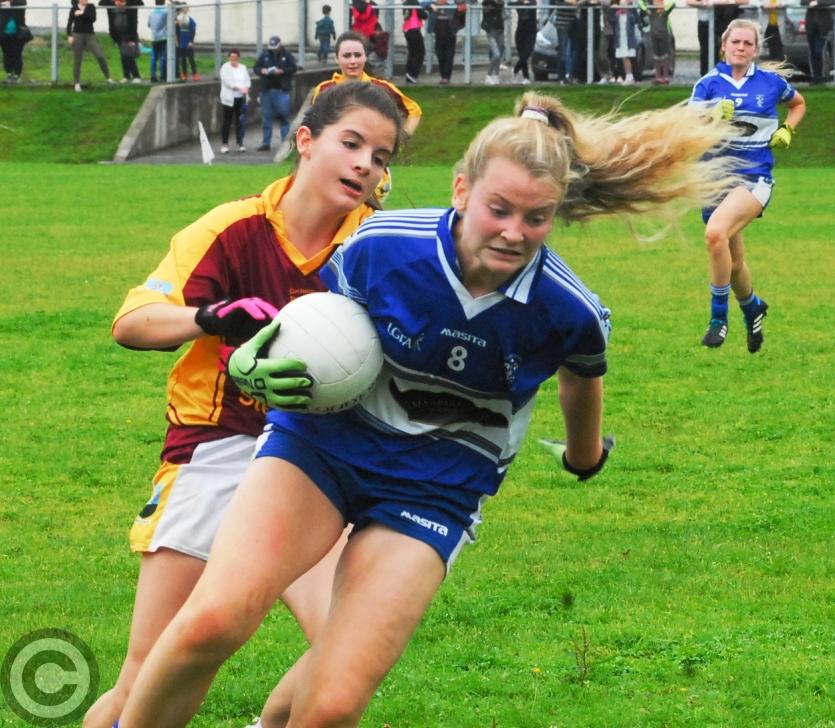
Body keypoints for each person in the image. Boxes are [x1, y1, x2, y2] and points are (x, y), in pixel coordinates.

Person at [118, 90, 740, 728]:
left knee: (330, 706)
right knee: (212, 623)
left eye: (536, 218)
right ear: (462, 190)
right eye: (499, 209)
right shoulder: (383, 244)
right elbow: (318, 327)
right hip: (322, 446)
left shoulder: (569, 309)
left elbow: (580, 380)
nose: (512, 233)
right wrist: (254, 362)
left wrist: (585, 454)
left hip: (436, 485)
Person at [81, 81, 403, 728]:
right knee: (151, 671)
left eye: (381, 154)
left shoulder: (379, 248)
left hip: (312, 457)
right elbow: (131, 322)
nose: (366, 163)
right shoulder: (232, 229)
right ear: (304, 141)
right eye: (351, 143)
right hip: (214, 445)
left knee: (343, 645)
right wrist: (210, 317)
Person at [690, 18, 806, 352]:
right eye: (735, 42)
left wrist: (786, 129)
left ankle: (718, 319)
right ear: (724, 45)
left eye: (748, 44)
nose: (741, 48)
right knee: (733, 260)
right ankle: (752, 306)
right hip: (716, 179)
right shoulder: (707, 86)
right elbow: (686, 128)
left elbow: (798, 103)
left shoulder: (770, 83)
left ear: (756, 49)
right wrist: (710, 116)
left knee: (715, 234)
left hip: (754, 178)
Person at [275, 30, 421, 206]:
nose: (353, 61)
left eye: (357, 55)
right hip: (334, 170)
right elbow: (316, 127)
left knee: (365, 218)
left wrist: (400, 139)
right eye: (347, 56)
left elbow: (414, 111)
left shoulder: (381, 88)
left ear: (365, 57)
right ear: (337, 59)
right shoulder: (324, 90)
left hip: (371, 172)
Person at [253, 35, 296, 152]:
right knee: (266, 118)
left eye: (275, 47)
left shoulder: (287, 55)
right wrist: (262, 70)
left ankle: (285, 144)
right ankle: (266, 143)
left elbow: (293, 68)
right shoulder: (265, 54)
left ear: (280, 44)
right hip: (266, 91)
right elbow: (256, 67)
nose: (273, 49)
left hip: (281, 91)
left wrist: (282, 71)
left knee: (284, 118)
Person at [67, 0, 115, 92]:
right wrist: (69, 35)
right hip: (77, 35)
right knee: (77, 59)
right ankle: (76, 83)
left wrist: (81, 13)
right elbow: (69, 23)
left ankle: (108, 78)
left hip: (90, 35)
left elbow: (92, 18)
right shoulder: (74, 8)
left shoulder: (91, 7)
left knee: (100, 56)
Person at [101, 0, 143, 83]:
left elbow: (140, 3)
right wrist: (114, 3)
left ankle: (136, 76)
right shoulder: (112, 2)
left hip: (129, 33)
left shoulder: (131, 2)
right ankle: (126, 76)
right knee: (123, 55)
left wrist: (125, 3)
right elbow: (101, 3)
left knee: (128, 54)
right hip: (117, 34)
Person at [219, 48, 250, 153]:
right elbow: (227, 82)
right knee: (227, 121)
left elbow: (247, 81)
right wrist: (239, 87)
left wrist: (246, 88)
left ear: (238, 58)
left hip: (241, 98)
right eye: (231, 57)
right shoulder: (225, 67)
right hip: (229, 99)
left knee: (240, 121)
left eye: (235, 57)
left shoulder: (243, 68)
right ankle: (224, 144)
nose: (233, 59)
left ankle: (240, 143)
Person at [430, 0, 465, 84]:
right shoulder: (434, 7)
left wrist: (456, 28)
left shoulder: (451, 8)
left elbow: (461, 19)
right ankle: (443, 76)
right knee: (440, 56)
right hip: (439, 36)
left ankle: (446, 77)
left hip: (450, 35)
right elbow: (423, 5)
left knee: (449, 56)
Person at [640, 0, 675, 84]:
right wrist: (646, 8)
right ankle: (658, 76)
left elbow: (673, 4)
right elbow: (640, 3)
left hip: (663, 35)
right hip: (654, 35)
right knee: (656, 57)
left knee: (664, 56)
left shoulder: (664, 12)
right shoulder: (651, 12)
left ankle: (665, 76)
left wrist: (663, 7)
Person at [801, 0, 835, 84]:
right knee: (812, 52)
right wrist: (810, 3)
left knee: (819, 51)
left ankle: (821, 76)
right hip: (811, 25)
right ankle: (815, 77)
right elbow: (803, 2)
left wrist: (817, 3)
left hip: (823, 26)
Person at [613, 0, 639, 84]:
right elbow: (611, 19)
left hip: (628, 40)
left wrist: (633, 7)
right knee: (623, 58)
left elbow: (637, 19)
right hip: (620, 40)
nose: (622, 7)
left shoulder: (630, 16)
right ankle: (626, 75)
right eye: (621, 6)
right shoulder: (617, 16)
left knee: (626, 58)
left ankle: (629, 76)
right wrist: (612, 9)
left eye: (624, 6)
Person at [510, 0, 536, 84]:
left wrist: (525, 3)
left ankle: (515, 70)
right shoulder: (518, 3)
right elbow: (509, 4)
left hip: (531, 32)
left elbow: (531, 5)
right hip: (520, 32)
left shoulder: (533, 2)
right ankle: (526, 77)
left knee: (526, 54)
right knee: (522, 55)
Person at [0, 0, 26, 83]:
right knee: (7, 54)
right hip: (4, 32)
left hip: (18, 33)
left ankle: (17, 75)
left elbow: (23, 2)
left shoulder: (19, 2)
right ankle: (9, 74)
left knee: (17, 54)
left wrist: (9, 3)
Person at [402, 0, 427, 83]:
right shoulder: (414, 2)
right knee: (420, 52)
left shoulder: (406, 3)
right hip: (414, 29)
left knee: (412, 52)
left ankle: (408, 73)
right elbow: (423, 15)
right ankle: (413, 74)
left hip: (407, 29)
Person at [481, 0, 505, 84]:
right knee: (496, 54)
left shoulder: (500, 3)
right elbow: (490, 12)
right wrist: (497, 4)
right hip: (491, 31)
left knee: (500, 53)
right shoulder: (487, 3)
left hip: (500, 30)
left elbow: (501, 11)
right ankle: (489, 75)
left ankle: (496, 75)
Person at [175, 3, 198, 80]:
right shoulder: (178, 19)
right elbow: (176, 31)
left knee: (191, 58)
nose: (185, 9)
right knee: (183, 59)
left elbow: (193, 30)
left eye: (186, 8)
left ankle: (195, 74)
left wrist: (191, 41)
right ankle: (184, 74)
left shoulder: (190, 19)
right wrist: (177, 41)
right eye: (183, 8)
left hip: (188, 42)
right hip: (181, 42)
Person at [147, 0, 166, 82]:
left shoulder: (151, 13)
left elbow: (148, 24)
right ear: (164, 2)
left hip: (154, 38)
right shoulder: (165, 12)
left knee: (154, 58)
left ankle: (153, 76)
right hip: (163, 37)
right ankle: (162, 76)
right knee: (162, 57)